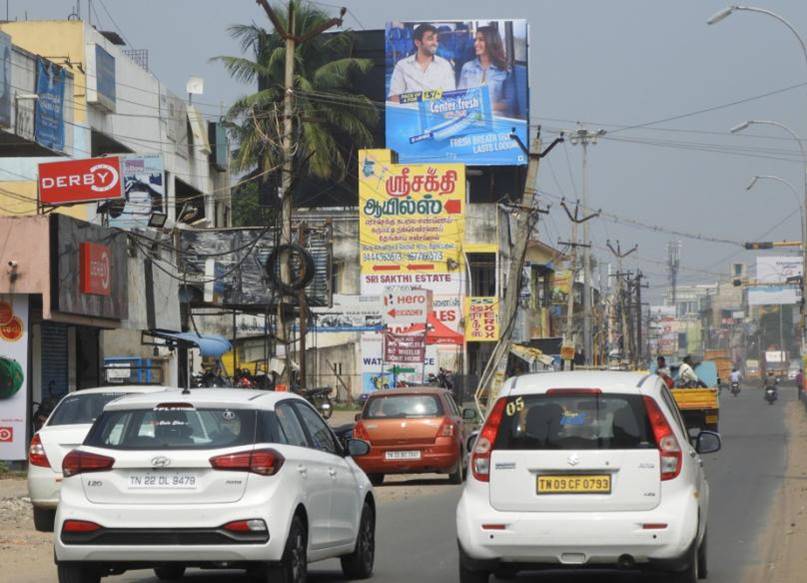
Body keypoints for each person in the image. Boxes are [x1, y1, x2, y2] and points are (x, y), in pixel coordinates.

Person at [388, 23, 456, 102]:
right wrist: (431, 96)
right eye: (430, 39)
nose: (435, 43)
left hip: (436, 112)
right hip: (410, 112)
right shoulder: (402, 65)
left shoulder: (445, 65)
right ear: (417, 43)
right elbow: (394, 98)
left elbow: (450, 97)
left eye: (436, 39)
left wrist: (416, 97)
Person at [457, 25, 514, 116]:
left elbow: (509, 102)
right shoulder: (467, 67)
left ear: (491, 42)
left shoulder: (505, 70)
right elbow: (460, 96)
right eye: (476, 40)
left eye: (481, 40)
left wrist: (484, 107)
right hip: (470, 118)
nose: (476, 43)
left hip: (495, 119)